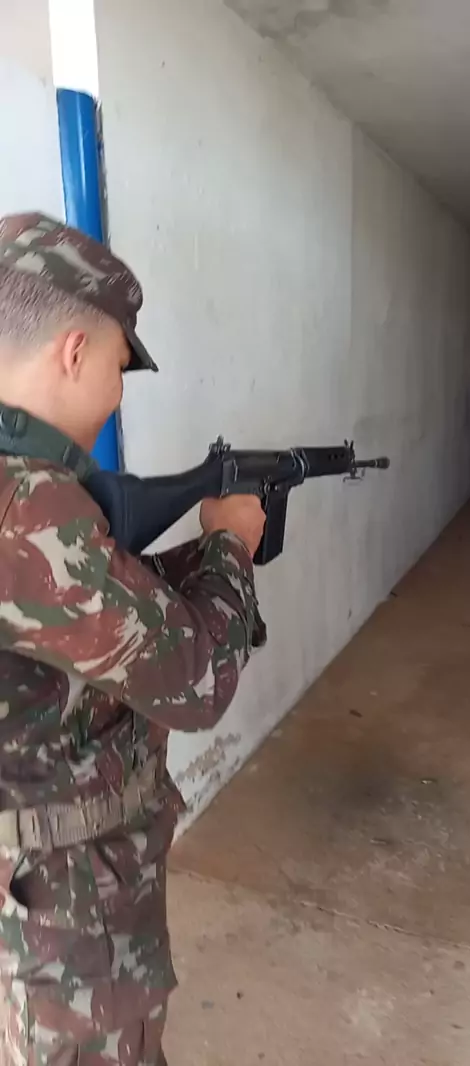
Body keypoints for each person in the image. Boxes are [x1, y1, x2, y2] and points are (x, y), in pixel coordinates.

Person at [0, 212, 266, 1065]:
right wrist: (231, 546)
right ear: (74, 353)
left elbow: (74, 620)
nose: (118, 392)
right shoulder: (30, 506)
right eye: (120, 367)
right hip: (64, 918)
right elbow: (194, 680)